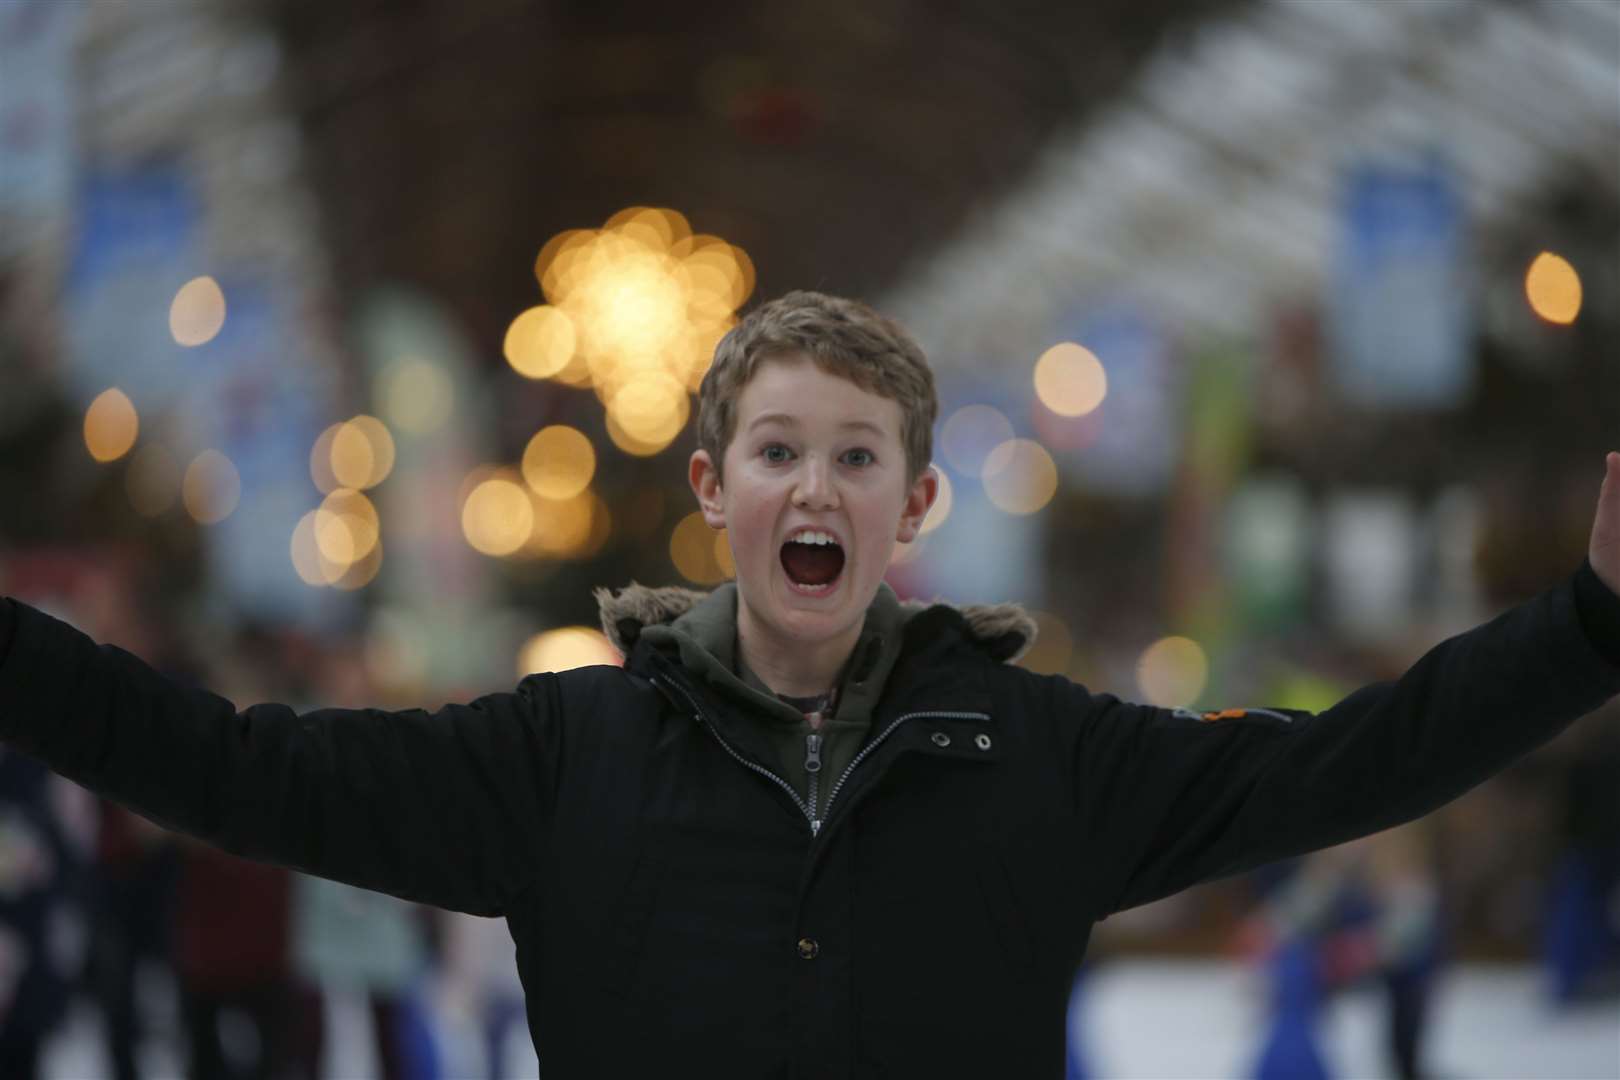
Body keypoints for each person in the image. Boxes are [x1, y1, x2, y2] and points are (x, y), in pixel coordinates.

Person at [1, 290, 1618, 1078]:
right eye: (778, 452)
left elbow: (1351, 764)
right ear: (715, 490)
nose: (815, 489)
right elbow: (232, 767)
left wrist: (1597, 618)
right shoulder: (564, 752)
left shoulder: (1043, 755)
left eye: (858, 457)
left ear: (913, 507)